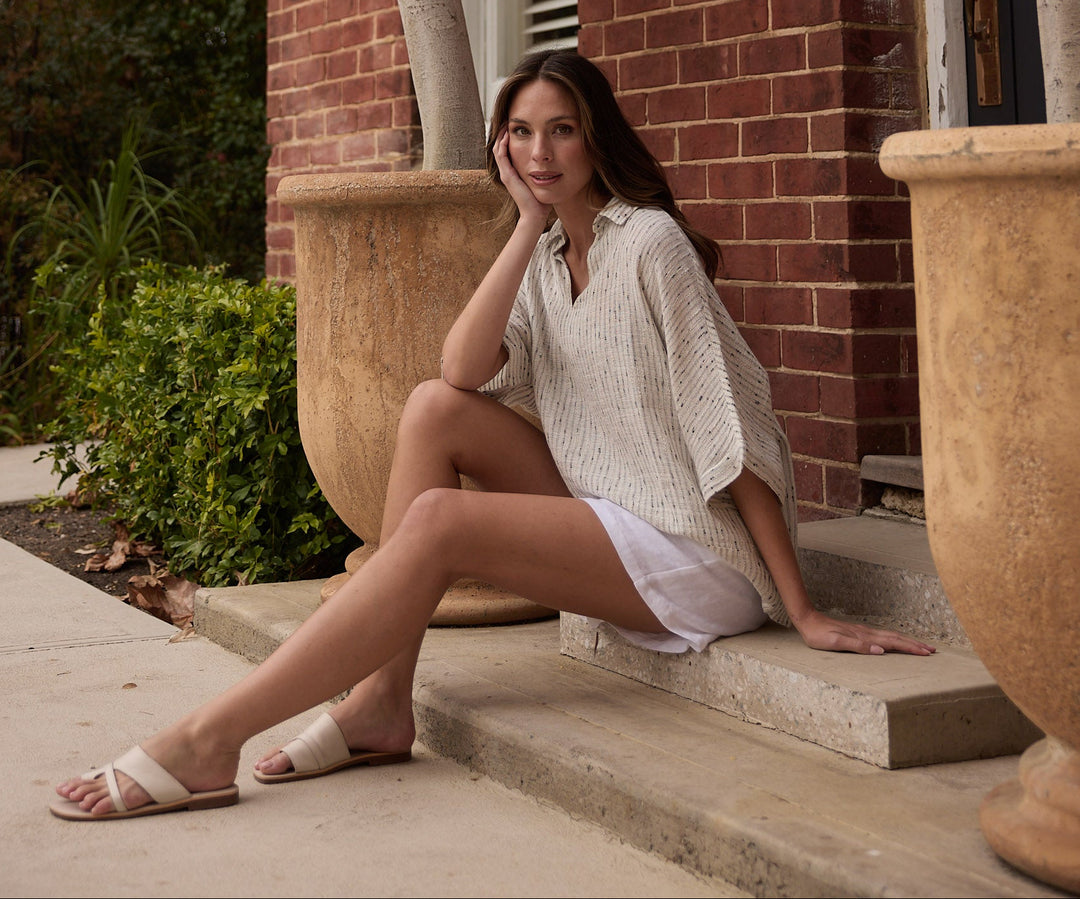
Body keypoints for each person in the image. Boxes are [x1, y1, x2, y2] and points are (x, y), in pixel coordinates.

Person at [53, 48, 932, 821]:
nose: (540, 152)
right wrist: (525, 226)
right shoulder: (549, 258)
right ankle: (381, 700)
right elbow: (462, 371)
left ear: (596, 141)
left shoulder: (652, 243)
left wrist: (802, 607)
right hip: (605, 518)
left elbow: (729, 425)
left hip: (691, 553)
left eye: (562, 131)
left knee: (439, 521)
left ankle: (210, 736)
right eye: (520, 131)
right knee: (432, 408)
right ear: (502, 144)